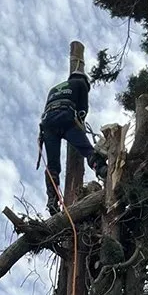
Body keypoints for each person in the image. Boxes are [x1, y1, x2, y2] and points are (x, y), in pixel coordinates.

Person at [39, 69, 108, 216]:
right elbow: (83, 110)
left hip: (48, 123)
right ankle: (102, 170)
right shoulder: (81, 84)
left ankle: (52, 200)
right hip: (65, 118)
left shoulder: (54, 89)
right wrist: (80, 124)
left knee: (53, 165)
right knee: (87, 150)